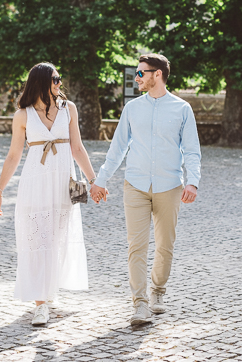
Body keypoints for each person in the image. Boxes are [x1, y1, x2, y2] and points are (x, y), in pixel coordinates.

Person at [90, 53, 201, 325]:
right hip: (136, 185)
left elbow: (191, 150)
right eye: (137, 73)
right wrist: (101, 179)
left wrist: (193, 181)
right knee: (136, 247)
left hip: (170, 186)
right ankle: (139, 304)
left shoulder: (182, 109)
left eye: (141, 73)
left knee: (165, 246)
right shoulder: (132, 109)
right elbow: (117, 149)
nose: (137, 78)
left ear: (158, 74)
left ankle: (158, 291)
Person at [0, 62, 103, 326]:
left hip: (63, 182)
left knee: (57, 238)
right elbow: (13, 155)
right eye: (55, 79)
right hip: (35, 183)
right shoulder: (23, 115)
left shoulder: (69, 109)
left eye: (59, 79)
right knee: (35, 240)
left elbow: (77, 148)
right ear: (41, 82)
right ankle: (40, 303)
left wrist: (93, 181)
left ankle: (48, 289)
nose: (59, 83)